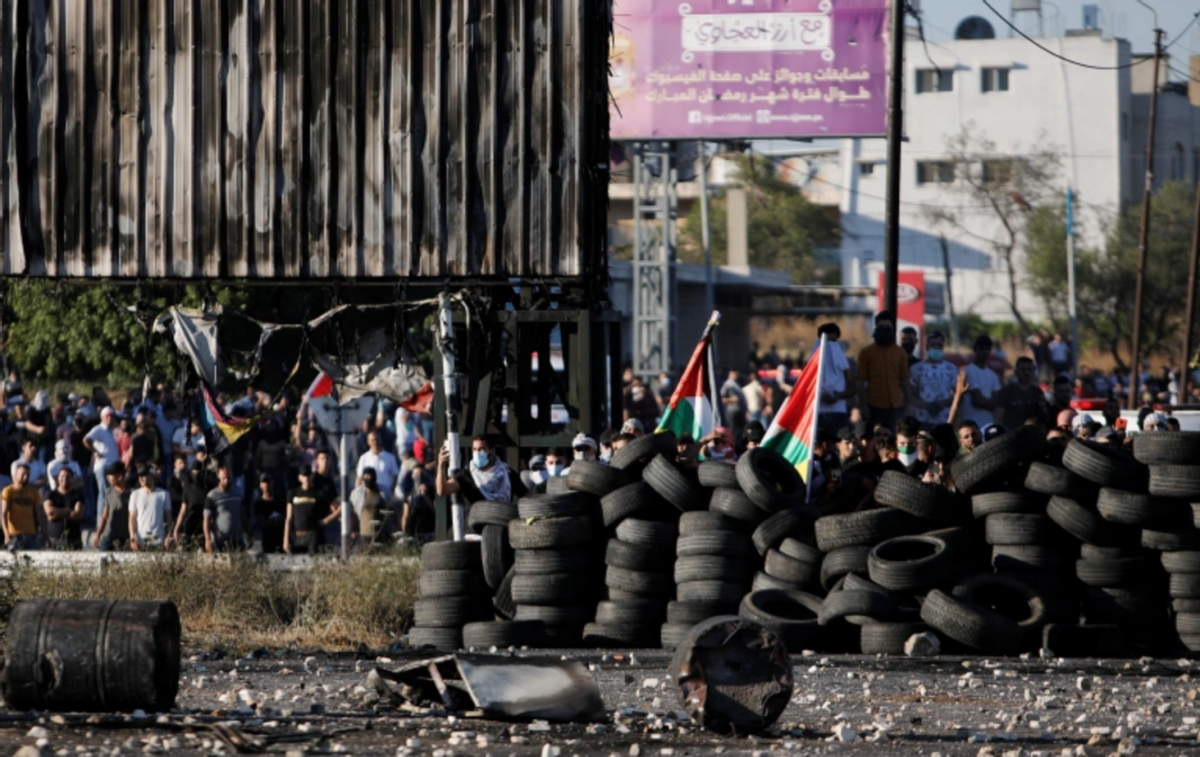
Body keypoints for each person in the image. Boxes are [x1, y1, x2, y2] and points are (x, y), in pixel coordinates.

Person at [857, 312, 912, 432]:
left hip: (896, 405)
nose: (884, 329)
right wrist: (862, 405)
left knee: (896, 436)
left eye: (888, 327)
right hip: (874, 405)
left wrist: (909, 404)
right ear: (876, 328)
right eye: (881, 327)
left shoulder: (900, 352)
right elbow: (860, 381)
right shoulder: (866, 352)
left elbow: (905, 379)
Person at [436, 436, 514, 504]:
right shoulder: (467, 474)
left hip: (502, 515)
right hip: (476, 516)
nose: (477, 453)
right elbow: (442, 490)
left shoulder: (506, 473)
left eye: (481, 449)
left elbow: (522, 495)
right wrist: (441, 466)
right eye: (474, 449)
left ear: (492, 451)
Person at [909, 331, 959, 429]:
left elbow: (958, 395)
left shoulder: (952, 369)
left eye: (939, 345)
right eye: (933, 344)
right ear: (927, 346)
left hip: (945, 420)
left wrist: (941, 404)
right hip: (922, 421)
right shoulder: (916, 368)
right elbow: (911, 395)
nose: (936, 347)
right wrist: (927, 405)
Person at [816, 323, 856, 435]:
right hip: (818, 413)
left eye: (833, 341)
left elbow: (852, 389)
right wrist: (820, 395)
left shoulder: (843, 360)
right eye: (827, 340)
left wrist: (838, 396)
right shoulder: (812, 360)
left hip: (838, 412)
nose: (830, 345)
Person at [84, 406, 121, 516]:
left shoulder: (112, 431)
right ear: (102, 417)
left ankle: (108, 518)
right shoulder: (99, 429)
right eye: (107, 416)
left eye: (111, 416)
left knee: (110, 494)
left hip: (112, 466)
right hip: (103, 466)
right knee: (104, 494)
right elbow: (86, 439)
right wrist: (95, 451)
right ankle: (101, 520)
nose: (110, 418)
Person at [128, 465, 172, 551]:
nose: (141, 479)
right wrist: (132, 537)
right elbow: (132, 518)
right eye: (139, 476)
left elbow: (169, 518)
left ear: (151, 475)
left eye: (143, 476)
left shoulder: (164, 494)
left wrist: (169, 536)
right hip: (140, 541)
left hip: (159, 540)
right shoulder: (135, 494)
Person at [997, 357, 1050, 428]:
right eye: (1023, 369)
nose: (1026, 373)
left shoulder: (1037, 392)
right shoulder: (1007, 391)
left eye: (1030, 369)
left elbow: (1044, 416)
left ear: (1034, 371)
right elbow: (999, 417)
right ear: (1016, 372)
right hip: (1012, 432)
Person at [961, 335, 1001, 429]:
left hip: (989, 424)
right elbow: (977, 400)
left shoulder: (992, 375)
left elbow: (999, 400)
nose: (984, 352)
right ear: (975, 349)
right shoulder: (969, 371)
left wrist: (992, 403)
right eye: (981, 348)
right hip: (972, 426)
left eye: (987, 349)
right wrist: (992, 404)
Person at [2, 462, 43, 550]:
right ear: (16, 475)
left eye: (28, 474)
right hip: (14, 533)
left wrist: (44, 532)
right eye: (23, 474)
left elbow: (39, 513)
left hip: (31, 532)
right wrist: (6, 533)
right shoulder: (8, 491)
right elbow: (3, 513)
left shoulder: (33, 492)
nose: (25, 477)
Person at [204, 466, 244, 553]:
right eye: (224, 478)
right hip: (221, 539)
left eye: (228, 478)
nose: (226, 481)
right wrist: (208, 540)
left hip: (237, 538)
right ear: (219, 477)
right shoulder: (212, 496)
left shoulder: (237, 493)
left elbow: (241, 513)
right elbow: (206, 519)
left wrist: (248, 531)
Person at [286, 466, 325, 554]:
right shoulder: (293, 493)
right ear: (299, 477)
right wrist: (286, 539)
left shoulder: (318, 494)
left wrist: (326, 520)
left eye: (308, 475)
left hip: (311, 536)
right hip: (296, 536)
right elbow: (288, 518)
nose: (306, 478)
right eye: (304, 475)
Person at [94, 461, 132, 551]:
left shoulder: (131, 493)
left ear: (120, 476)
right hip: (109, 534)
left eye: (111, 475)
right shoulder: (109, 492)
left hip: (125, 536)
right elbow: (105, 515)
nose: (108, 478)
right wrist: (98, 534)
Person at [171, 461, 209, 550]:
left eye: (198, 473)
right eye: (194, 473)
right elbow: (183, 510)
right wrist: (176, 528)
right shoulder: (188, 489)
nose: (196, 475)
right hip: (190, 526)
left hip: (203, 527)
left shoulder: (208, 488)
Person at [43, 467, 84, 550]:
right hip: (54, 537)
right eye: (62, 476)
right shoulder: (50, 494)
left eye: (68, 476)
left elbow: (78, 515)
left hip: (73, 538)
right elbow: (49, 512)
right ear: (58, 478)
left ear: (72, 479)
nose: (65, 478)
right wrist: (68, 510)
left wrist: (56, 513)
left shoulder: (78, 495)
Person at [356, 430, 400, 504]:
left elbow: (395, 475)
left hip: (385, 493)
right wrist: (358, 493)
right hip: (369, 493)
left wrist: (392, 489)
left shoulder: (389, 457)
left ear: (380, 440)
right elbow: (359, 477)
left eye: (377, 439)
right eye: (373, 440)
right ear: (368, 442)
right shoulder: (364, 458)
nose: (375, 442)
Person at [350, 467, 389, 547]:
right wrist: (352, 529)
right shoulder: (357, 494)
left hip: (381, 532)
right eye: (366, 476)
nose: (369, 478)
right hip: (366, 533)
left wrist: (396, 525)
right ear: (363, 478)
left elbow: (391, 507)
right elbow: (353, 513)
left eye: (370, 476)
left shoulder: (384, 491)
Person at [720, 370, 748, 445]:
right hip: (732, 411)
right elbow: (721, 398)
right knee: (733, 429)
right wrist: (731, 399)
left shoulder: (737, 384)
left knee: (741, 429)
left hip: (740, 411)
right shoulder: (727, 385)